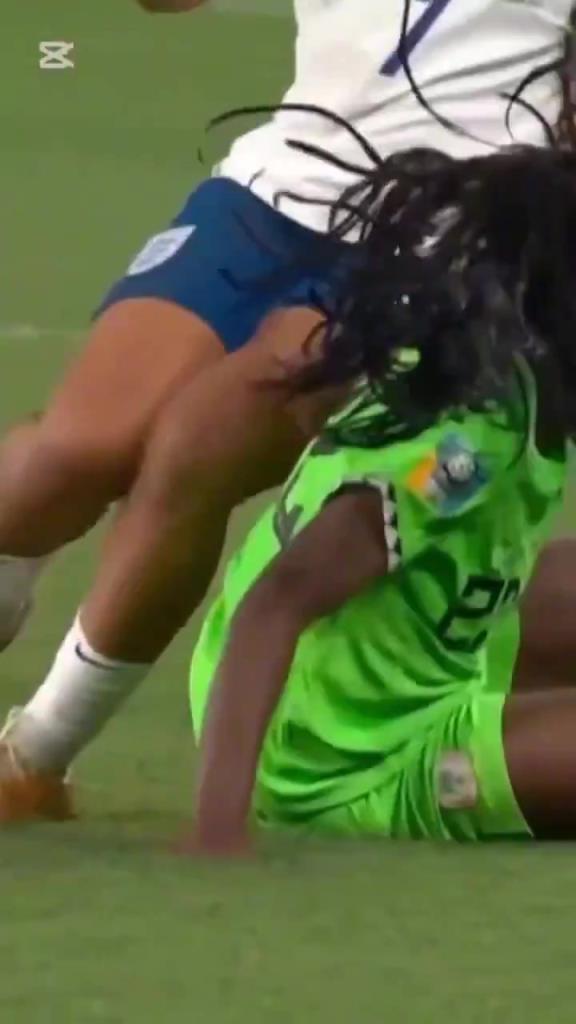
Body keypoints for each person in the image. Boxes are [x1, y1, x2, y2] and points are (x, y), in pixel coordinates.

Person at [0, 0, 573, 821]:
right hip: (279, 190)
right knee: (80, 450)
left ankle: (34, 756)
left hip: (442, 231)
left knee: (199, 449)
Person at [184, 142, 576, 855]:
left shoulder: (502, 373)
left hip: (414, 653)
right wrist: (217, 831)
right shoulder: (463, 448)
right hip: (348, 759)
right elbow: (277, 601)